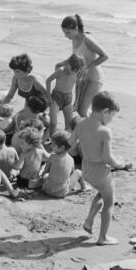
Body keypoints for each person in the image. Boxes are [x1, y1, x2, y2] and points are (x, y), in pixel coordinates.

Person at [69, 91, 132, 245]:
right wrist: (121, 165)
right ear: (105, 112)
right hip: (101, 172)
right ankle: (103, 237)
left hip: (86, 169)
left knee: (101, 194)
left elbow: (70, 145)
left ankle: (89, 221)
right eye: (112, 116)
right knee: (110, 202)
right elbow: (107, 158)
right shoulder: (105, 131)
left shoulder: (81, 124)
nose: (112, 120)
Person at [56, 14, 108, 117]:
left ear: (76, 28)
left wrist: (87, 67)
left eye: (67, 32)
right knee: (79, 110)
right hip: (83, 78)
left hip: (95, 78)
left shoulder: (86, 39)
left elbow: (105, 56)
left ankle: (94, 130)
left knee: (83, 111)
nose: (66, 35)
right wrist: (62, 63)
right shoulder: (74, 39)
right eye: (64, 32)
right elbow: (76, 57)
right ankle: (92, 128)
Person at [46, 54, 85, 135]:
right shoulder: (61, 70)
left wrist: (76, 101)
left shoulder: (77, 72)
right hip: (56, 98)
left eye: (76, 70)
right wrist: (48, 96)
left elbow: (77, 86)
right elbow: (48, 80)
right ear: (68, 63)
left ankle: (66, 140)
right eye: (73, 69)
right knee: (53, 123)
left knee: (69, 125)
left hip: (68, 99)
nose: (74, 72)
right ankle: (51, 139)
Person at [42, 131, 87, 198]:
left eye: (53, 145)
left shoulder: (52, 157)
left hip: (48, 190)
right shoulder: (71, 159)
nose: (51, 146)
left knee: (46, 175)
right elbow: (71, 174)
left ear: (62, 147)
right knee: (78, 172)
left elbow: (45, 172)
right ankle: (84, 188)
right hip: (62, 192)